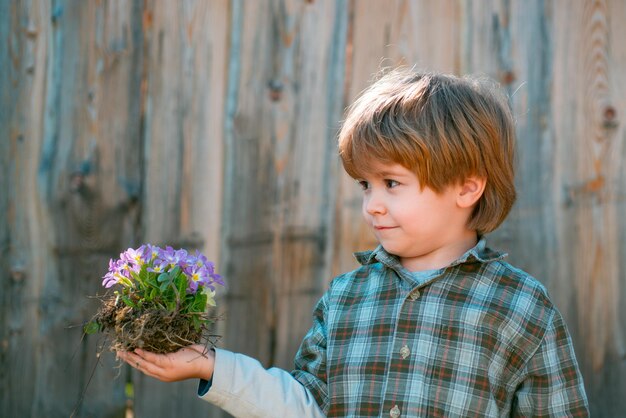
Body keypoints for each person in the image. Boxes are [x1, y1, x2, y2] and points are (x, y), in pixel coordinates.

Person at [118, 68, 589, 417]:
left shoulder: (522, 308)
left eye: (392, 183)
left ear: (467, 187)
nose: (373, 205)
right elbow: (306, 406)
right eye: (365, 185)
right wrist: (211, 366)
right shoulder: (346, 298)